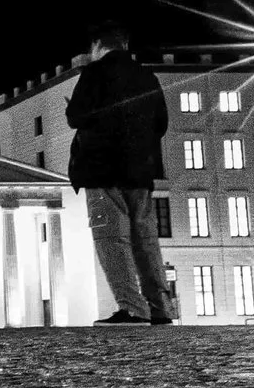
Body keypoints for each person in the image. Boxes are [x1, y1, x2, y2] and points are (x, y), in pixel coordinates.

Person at [65, 19, 174, 324]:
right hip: (140, 172)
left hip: (102, 170)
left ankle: (132, 308)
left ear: (98, 46)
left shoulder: (94, 73)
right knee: (145, 240)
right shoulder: (146, 76)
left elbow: (76, 116)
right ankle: (161, 308)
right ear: (126, 45)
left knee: (112, 237)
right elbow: (161, 123)